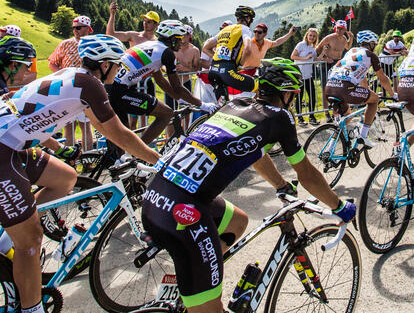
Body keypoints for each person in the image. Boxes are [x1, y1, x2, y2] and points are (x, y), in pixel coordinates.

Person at [142, 57, 356, 313]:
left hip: (156, 197)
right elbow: (307, 175)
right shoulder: (280, 117)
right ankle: (198, 281)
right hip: (183, 214)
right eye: (293, 94)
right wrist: (339, 206)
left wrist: (280, 184)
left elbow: (254, 152)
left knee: (237, 222)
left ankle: (195, 274)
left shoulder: (236, 104)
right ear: (286, 93)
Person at [0, 33, 160, 313]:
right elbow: (116, 132)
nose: (119, 70)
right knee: (30, 241)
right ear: (104, 65)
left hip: (14, 145)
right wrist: (159, 161)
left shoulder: (73, 74)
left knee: (65, 178)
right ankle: (31, 308)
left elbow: (32, 110)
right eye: (116, 64)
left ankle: (6, 234)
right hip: (3, 151)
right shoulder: (91, 85)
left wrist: (55, 147)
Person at [109, 20, 215, 145]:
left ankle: (118, 158)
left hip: (113, 88)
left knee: (122, 136)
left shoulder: (152, 45)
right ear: (172, 39)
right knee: (166, 114)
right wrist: (202, 104)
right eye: (179, 39)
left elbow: (159, 79)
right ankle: (137, 153)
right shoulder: (167, 53)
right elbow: (177, 87)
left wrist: (178, 98)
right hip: (120, 90)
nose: (181, 42)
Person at [325, 30, 396, 147]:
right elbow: (383, 79)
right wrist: (393, 94)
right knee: (375, 100)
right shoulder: (370, 55)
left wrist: (366, 93)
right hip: (344, 89)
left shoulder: (351, 52)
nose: (375, 46)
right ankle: (363, 135)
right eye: (374, 44)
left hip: (329, 87)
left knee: (347, 116)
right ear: (371, 44)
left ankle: (330, 148)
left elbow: (362, 78)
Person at [106, 2, 160, 129]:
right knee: (130, 113)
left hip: (145, 81)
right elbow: (111, 35)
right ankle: (131, 140)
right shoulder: (134, 36)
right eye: (145, 21)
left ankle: (142, 140)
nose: (145, 23)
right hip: (128, 81)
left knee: (144, 113)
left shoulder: (157, 42)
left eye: (149, 21)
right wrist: (112, 15)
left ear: (156, 25)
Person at [48, 15, 95, 150]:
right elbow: (52, 63)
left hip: (85, 88)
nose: (75, 30)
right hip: (67, 88)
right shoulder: (65, 44)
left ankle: (88, 159)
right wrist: (62, 75)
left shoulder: (92, 44)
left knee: (85, 125)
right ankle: (71, 160)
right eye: (74, 28)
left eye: (79, 27)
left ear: (88, 29)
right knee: (69, 125)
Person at [203, 5, 258, 97]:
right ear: (248, 19)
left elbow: (205, 48)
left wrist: (219, 59)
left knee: (221, 105)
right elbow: (248, 49)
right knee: (258, 86)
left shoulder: (225, 30)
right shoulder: (244, 29)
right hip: (227, 72)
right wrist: (240, 65)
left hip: (213, 71)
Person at [316, 20, 354, 121]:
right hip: (325, 65)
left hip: (337, 64)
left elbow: (347, 47)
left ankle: (335, 112)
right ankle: (326, 113)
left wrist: (351, 38)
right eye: (338, 28)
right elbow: (317, 49)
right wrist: (324, 58)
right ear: (335, 28)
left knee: (336, 89)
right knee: (325, 89)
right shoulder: (329, 38)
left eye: (341, 28)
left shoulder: (344, 38)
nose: (339, 30)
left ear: (345, 29)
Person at [291, 27, 320, 126]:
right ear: (307, 35)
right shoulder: (301, 45)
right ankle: (300, 118)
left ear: (316, 38)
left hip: (309, 76)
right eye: (310, 35)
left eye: (314, 36)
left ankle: (312, 117)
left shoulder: (313, 48)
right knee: (299, 97)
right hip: (299, 76)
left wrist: (324, 55)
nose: (312, 37)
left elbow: (315, 59)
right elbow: (293, 56)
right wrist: (305, 58)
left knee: (312, 96)